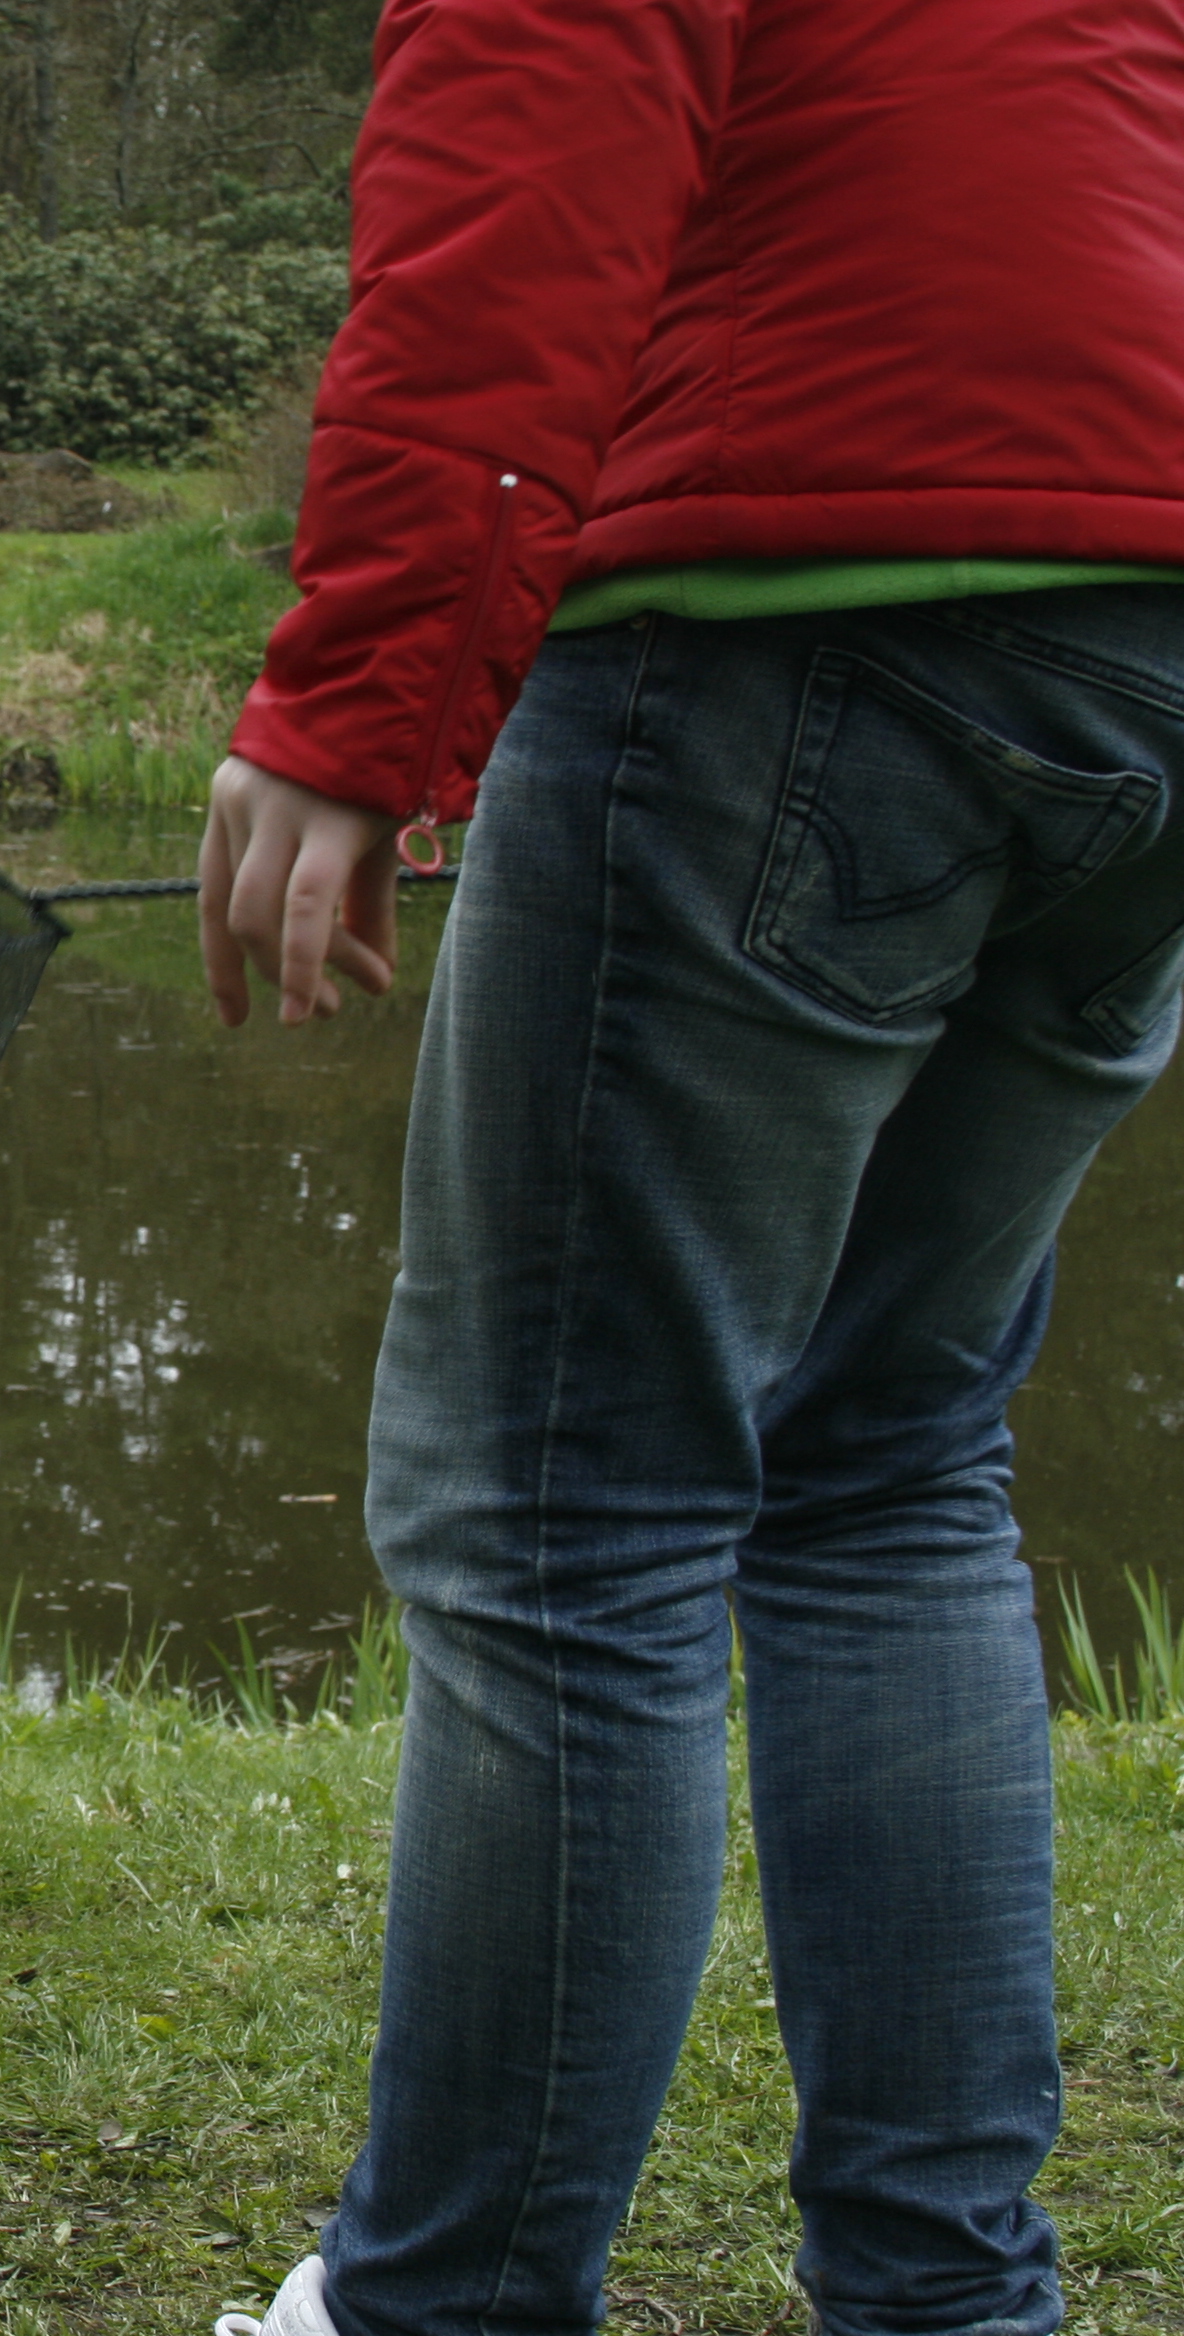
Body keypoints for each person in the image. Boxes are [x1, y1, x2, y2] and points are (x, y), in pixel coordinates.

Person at [196, 7, 1184, 2336]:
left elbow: (520, 155)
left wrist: (360, 696)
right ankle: (948, 2305)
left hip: (784, 620)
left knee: (564, 1513)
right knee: (887, 1460)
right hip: (1144, 628)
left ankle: (431, 2305)